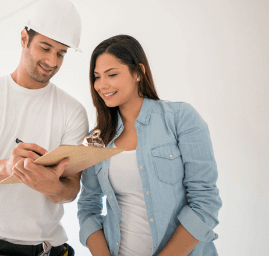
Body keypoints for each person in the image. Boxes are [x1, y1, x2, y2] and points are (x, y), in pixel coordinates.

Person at [0, 0, 88, 256]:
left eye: (61, 53)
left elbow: (71, 189)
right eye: (45, 48)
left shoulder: (73, 112)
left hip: (45, 249)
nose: (52, 61)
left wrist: (51, 186)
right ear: (24, 38)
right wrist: (7, 168)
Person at [77, 35, 222, 256]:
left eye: (112, 74)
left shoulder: (181, 118)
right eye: (96, 77)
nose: (102, 85)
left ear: (138, 72)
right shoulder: (96, 139)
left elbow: (205, 203)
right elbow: (88, 208)